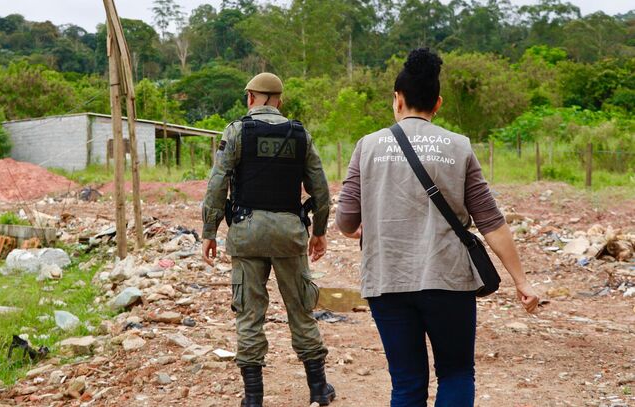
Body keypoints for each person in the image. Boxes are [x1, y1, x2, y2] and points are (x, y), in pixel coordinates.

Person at [335, 48, 539, 407]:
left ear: (397, 100)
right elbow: (490, 220)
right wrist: (521, 281)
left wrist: (364, 227)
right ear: (438, 103)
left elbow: (346, 220)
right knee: (456, 373)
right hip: (448, 281)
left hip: (387, 280)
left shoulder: (367, 147)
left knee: (407, 383)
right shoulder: (458, 147)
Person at [201, 72, 336, 407]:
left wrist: (209, 231)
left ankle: (253, 398)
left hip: (246, 234)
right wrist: (319, 231)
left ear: (250, 97)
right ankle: (318, 389)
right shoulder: (300, 135)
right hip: (290, 233)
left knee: (249, 314)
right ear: (280, 100)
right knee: (301, 309)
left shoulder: (236, 132)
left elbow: (217, 185)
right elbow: (320, 189)